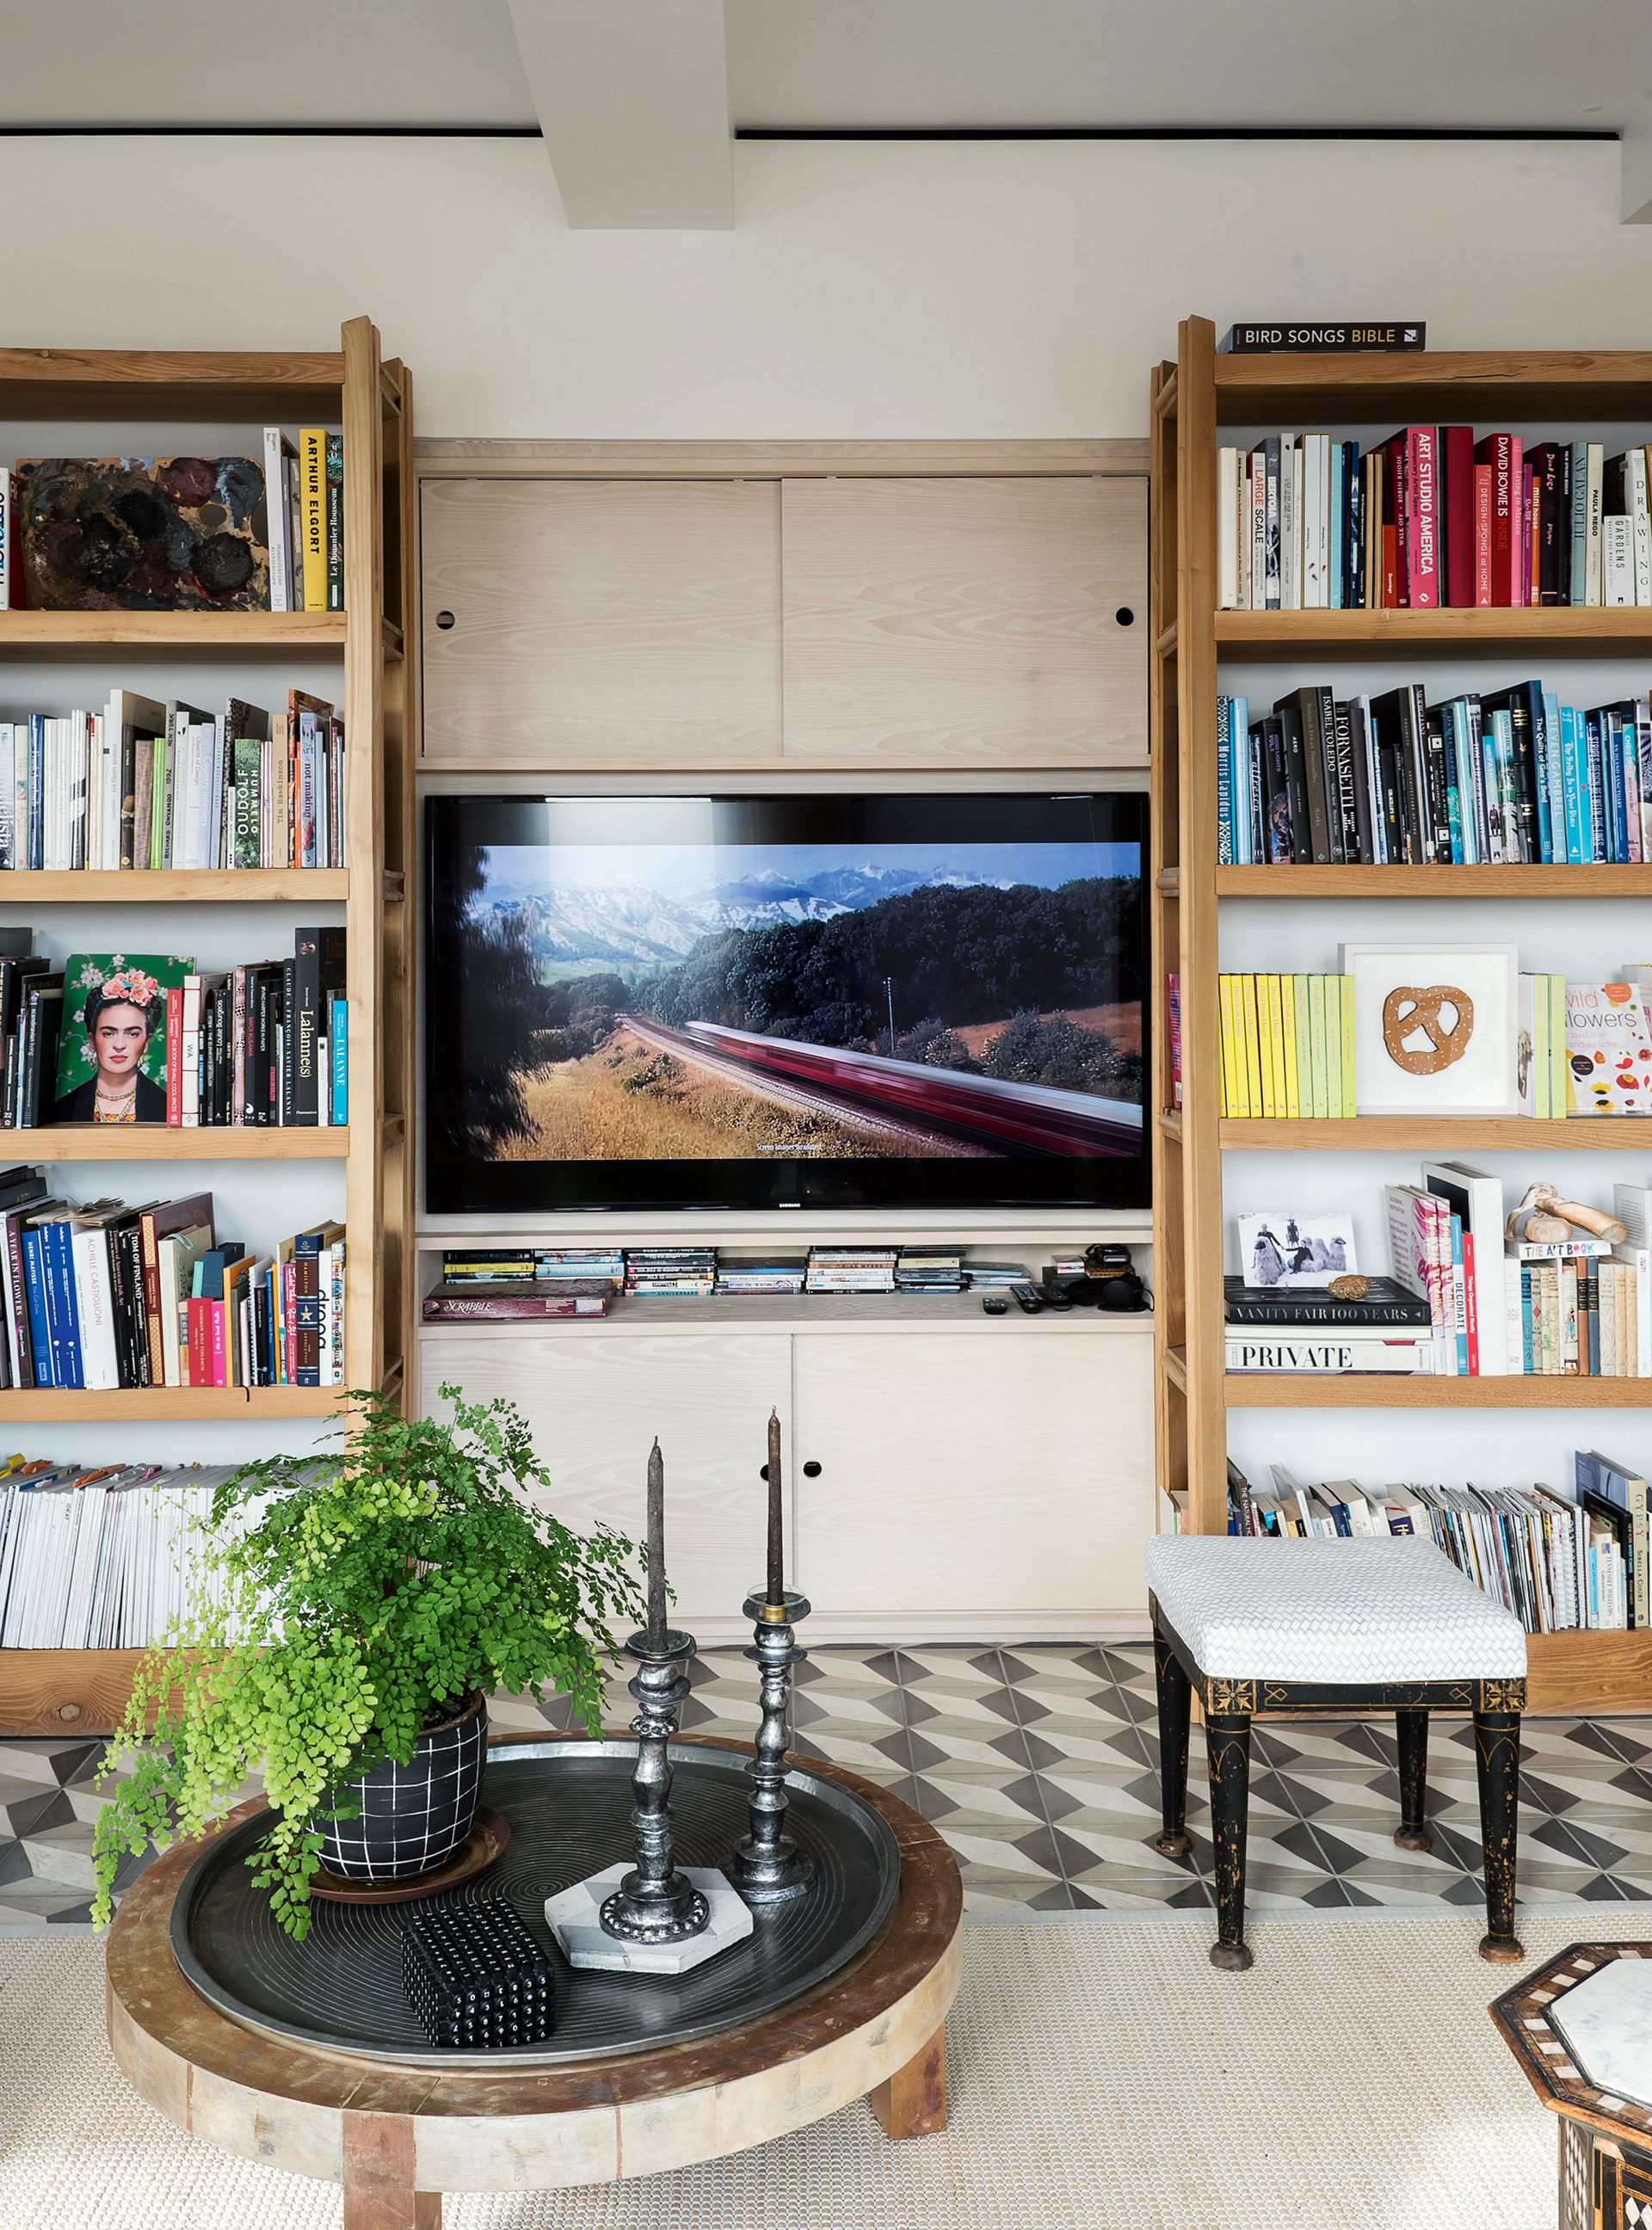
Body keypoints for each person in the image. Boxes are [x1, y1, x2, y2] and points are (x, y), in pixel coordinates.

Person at [54, 968, 168, 1124]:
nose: (119, 1045)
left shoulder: (165, 1106)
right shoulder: (64, 1108)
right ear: (92, 1040)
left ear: (146, 1042)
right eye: (109, 1033)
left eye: (132, 1033)